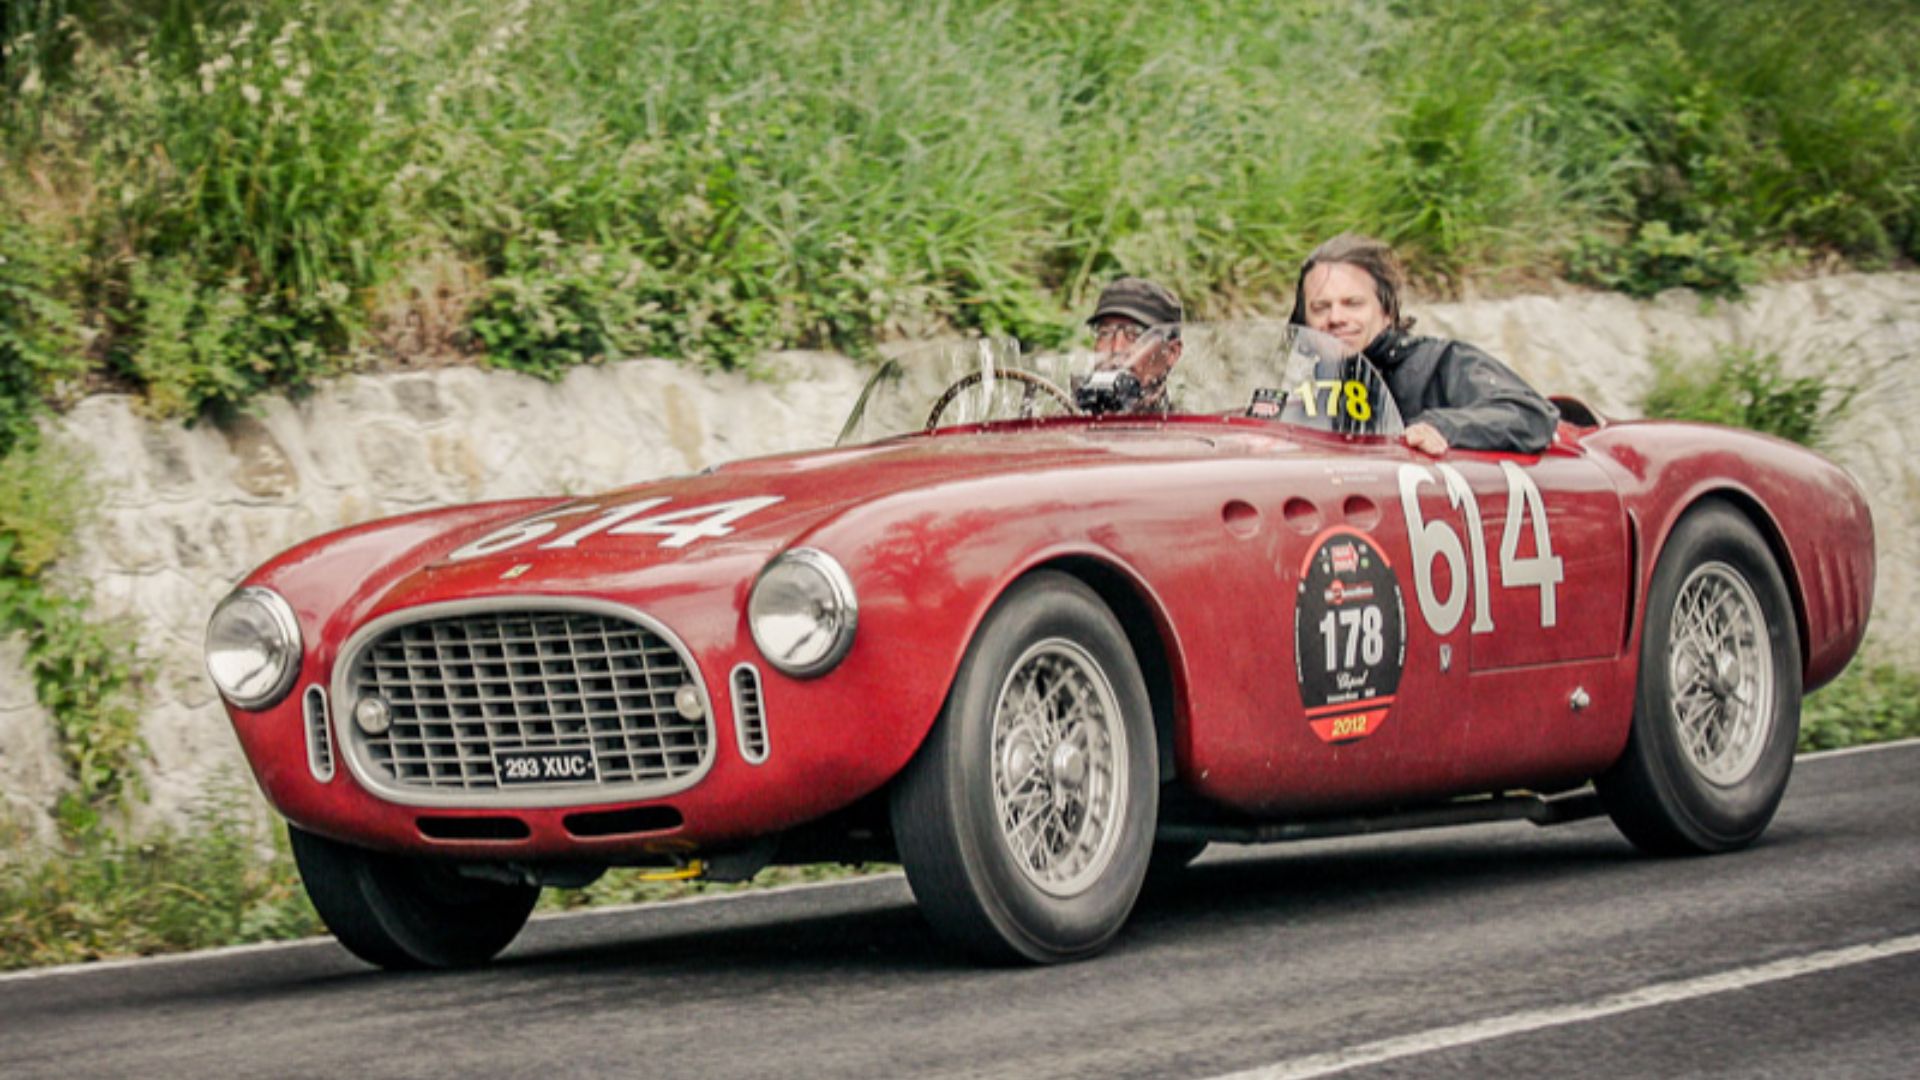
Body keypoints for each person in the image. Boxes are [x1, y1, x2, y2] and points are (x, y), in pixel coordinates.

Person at [1288, 234, 1557, 454]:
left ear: (1386, 311)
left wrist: (1441, 427)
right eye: (1321, 307)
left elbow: (1531, 413)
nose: (1336, 318)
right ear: (1305, 320)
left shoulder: (1441, 363)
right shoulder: (1309, 384)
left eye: (1353, 304)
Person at [1078, 276, 1184, 414]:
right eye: (1105, 333)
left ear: (1171, 352)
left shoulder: (1188, 430)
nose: (1117, 348)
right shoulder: (1064, 424)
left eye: (1135, 334)